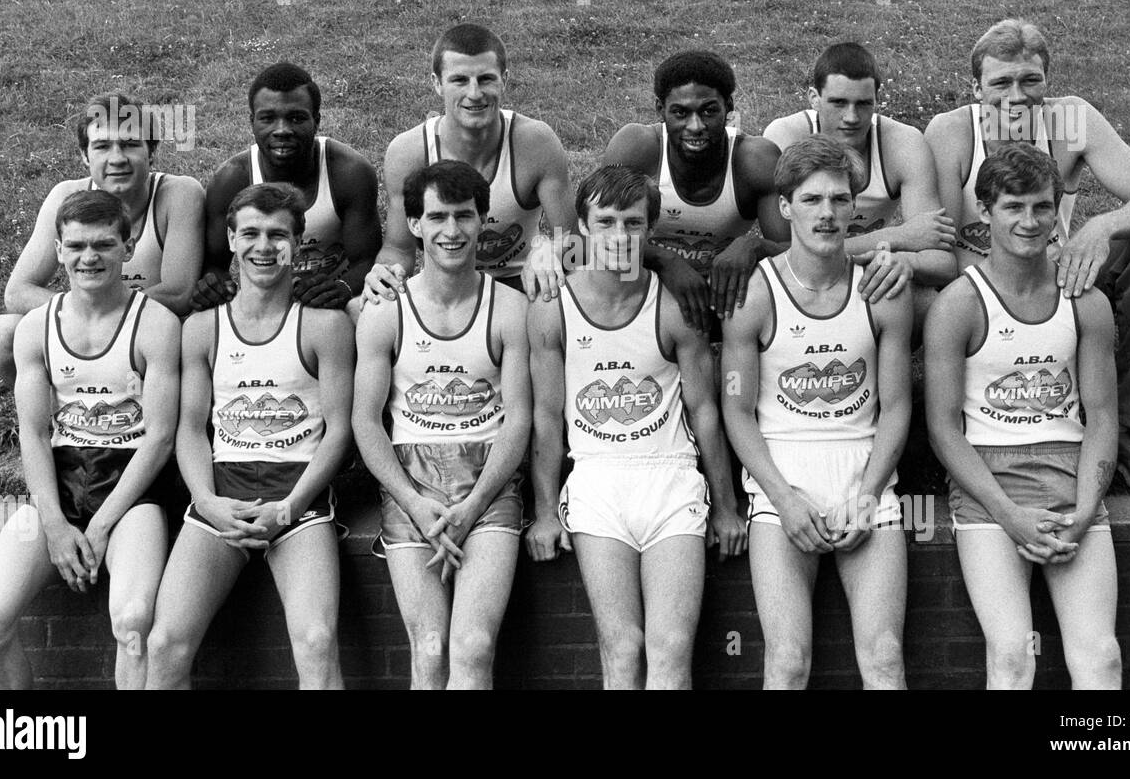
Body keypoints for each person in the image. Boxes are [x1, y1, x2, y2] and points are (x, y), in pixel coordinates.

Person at [925, 19, 1130, 501]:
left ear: (1048, 80)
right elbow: (941, 245)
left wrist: (1099, 227)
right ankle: (961, 430)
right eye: (1000, 82)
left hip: (1060, 268)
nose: (1017, 96)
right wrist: (1009, 285)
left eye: (1031, 80)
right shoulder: (950, 132)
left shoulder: (1072, 120)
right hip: (977, 277)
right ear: (976, 87)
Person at [525, 165, 747, 690]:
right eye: (605, 222)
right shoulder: (553, 308)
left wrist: (727, 505)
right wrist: (542, 512)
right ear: (580, 227)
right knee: (621, 649)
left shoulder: (674, 306)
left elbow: (707, 413)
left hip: (670, 479)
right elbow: (545, 418)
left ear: (651, 230)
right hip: (597, 481)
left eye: (632, 223)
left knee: (670, 649)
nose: (619, 236)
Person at [924, 145, 1121, 689]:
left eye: (1041, 207)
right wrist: (1007, 512)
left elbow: (1103, 415)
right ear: (985, 212)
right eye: (1014, 207)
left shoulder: (1084, 300)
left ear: (1058, 210)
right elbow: (943, 427)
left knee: (1101, 656)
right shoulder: (958, 305)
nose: (1029, 221)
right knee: (1011, 656)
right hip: (989, 482)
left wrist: (1085, 509)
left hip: (1071, 476)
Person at [720, 136, 912, 690]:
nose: (826, 213)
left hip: (866, 479)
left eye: (839, 199)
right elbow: (736, 410)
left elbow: (897, 406)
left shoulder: (882, 289)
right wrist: (781, 496)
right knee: (787, 660)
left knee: (883, 656)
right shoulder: (755, 294)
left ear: (855, 207)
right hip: (780, 486)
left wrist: (871, 492)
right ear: (785, 207)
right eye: (811, 200)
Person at [0, 190, 181, 689]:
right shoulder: (34, 329)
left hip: (131, 489)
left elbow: (160, 438)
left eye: (104, 244)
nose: (90, 257)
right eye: (78, 246)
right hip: (59, 481)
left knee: (132, 624)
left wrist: (102, 525)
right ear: (59, 250)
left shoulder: (156, 325)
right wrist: (57, 527)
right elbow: (36, 435)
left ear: (127, 248)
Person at [147, 183, 353, 690]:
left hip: (298, 499)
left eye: (278, 235)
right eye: (252, 234)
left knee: (316, 641)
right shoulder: (201, 328)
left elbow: (339, 431)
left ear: (299, 243)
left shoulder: (325, 326)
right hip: (223, 496)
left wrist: (291, 505)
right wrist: (207, 501)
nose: (264, 247)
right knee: (163, 643)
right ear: (232, 240)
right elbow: (191, 429)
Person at [353, 160, 531, 689]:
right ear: (414, 225)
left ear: (482, 222)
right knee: (429, 651)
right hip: (411, 479)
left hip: (489, 479)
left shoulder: (510, 309)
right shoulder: (385, 314)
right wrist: (412, 500)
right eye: (437, 218)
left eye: (464, 217)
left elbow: (519, 418)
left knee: (473, 648)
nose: (451, 231)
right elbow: (365, 421)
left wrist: (472, 504)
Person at [0, 93, 204, 385]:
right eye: (102, 146)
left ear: (152, 152)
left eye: (130, 144)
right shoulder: (66, 196)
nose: (117, 158)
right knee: (1, 334)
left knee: (195, 333)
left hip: (152, 333)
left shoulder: (179, 194)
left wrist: (100, 314)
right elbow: (17, 292)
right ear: (85, 156)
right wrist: (86, 317)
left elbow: (178, 293)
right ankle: (56, 422)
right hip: (84, 326)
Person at [360, 24, 574, 311]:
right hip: (447, 288)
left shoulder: (535, 142)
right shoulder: (409, 152)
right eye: (459, 80)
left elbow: (575, 239)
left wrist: (551, 250)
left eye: (486, 79)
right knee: (367, 309)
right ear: (437, 83)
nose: (474, 94)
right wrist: (384, 272)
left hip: (524, 284)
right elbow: (400, 248)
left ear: (505, 80)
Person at [765, 42, 956, 330]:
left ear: (877, 100)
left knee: (928, 302)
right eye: (838, 103)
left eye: (863, 104)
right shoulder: (786, 136)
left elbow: (943, 263)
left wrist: (906, 262)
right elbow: (781, 253)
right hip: (805, 279)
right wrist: (898, 236)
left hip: (869, 272)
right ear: (814, 98)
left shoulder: (903, 143)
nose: (852, 117)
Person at [603, 50, 791, 337]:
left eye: (708, 111)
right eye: (680, 112)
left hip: (724, 291)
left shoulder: (756, 160)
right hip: (643, 279)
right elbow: (597, 238)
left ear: (728, 107)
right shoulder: (637, 147)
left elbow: (792, 258)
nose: (696, 126)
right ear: (660, 109)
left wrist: (754, 247)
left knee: (770, 287)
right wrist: (664, 260)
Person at [192, 62, 381, 313]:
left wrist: (343, 288)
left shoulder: (349, 172)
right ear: (252, 122)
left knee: (374, 310)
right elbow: (214, 264)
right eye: (268, 118)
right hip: (265, 302)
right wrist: (215, 287)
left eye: (296, 117)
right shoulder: (231, 180)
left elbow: (368, 259)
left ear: (317, 120)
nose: (282, 130)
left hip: (334, 302)